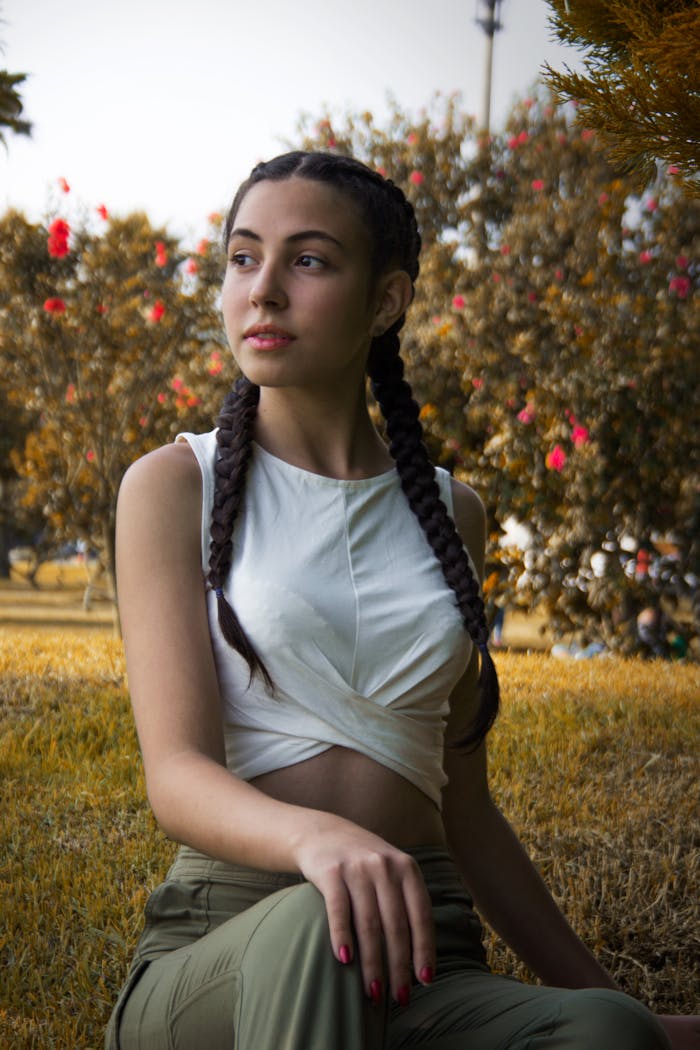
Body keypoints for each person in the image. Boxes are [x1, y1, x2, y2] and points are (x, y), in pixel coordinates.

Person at [106, 151, 698, 1049]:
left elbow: (464, 810)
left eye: (306, 260)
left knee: (605, 1035)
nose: (261, 290)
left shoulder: (453, 515)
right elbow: (176, 775)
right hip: (230, 949)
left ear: (386, 300)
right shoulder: (171, 487)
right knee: (317, 925)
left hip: (427, 958)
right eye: (242, 257)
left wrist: (627, 1008)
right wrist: (318, 843)